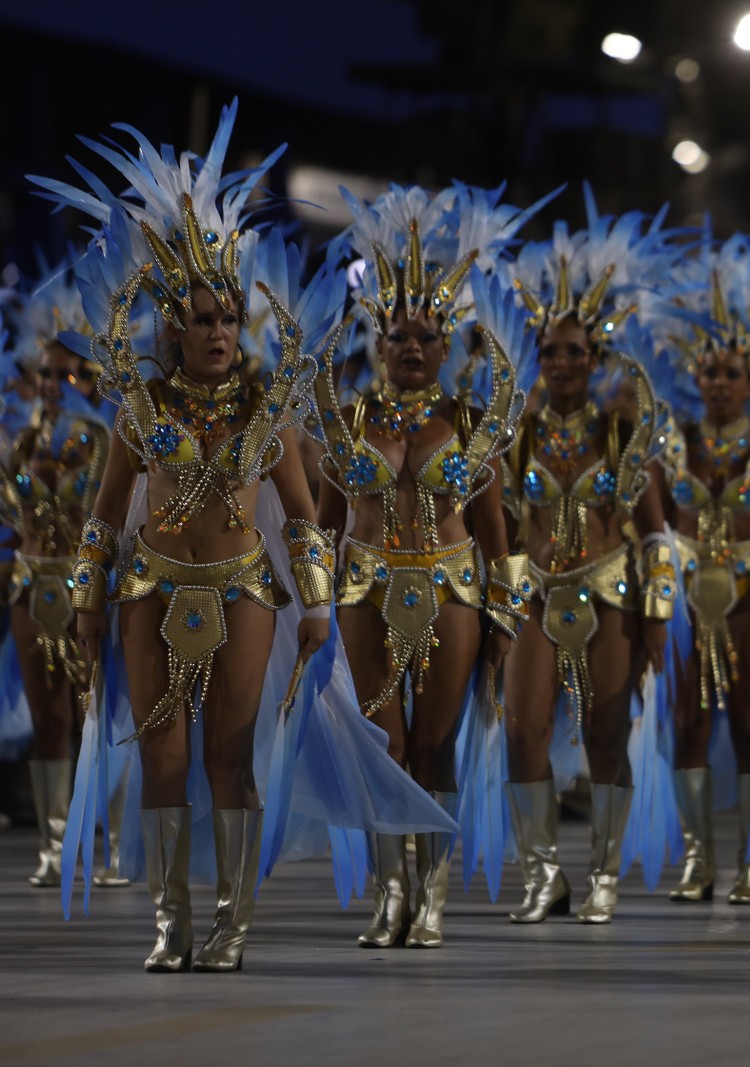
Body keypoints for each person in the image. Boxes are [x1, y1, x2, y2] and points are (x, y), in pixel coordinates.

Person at [45, 106, 334, 972]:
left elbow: (305, 517)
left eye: (228, 317)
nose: (217, 330)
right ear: (171, 326)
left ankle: (231, 924)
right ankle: (170, 922)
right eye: (202, 318)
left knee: (227, 756)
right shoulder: (139, 412)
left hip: (244, 588)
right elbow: (102, 517)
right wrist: (87, 600)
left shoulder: (267, 414)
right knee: (162, 758)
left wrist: (316, 608)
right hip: (150, 591)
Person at [315, 183, 528, 948]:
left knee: (435, 746)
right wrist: (310, 609)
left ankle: (431, 896)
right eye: (397, 335)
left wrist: (505, 620)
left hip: (454, 590)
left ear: (447, 346)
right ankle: (389, 893)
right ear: (375, 341)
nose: (411, 347)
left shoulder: (473, 423)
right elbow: (324, 524)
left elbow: (496, 531)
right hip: (365, 591)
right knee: (382, 746)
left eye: (425, 337)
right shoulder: (346, 421)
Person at [499, 206, 676, 924]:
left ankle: (602, 872)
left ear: (596, 361)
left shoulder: (622, 432)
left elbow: (659, 537)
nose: (564, 363)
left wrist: (659, 620)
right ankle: (543, 873)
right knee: (522, 730)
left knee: (607, 731)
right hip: (537, 596)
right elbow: (506, 533)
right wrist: (504, 607)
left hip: (612, 594)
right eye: (552, 352)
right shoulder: (515, 439)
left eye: (577, 352)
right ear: (537, 358)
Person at [644, 234, 750, 907]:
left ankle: (748, 859)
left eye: (732, 373)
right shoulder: (672, 447)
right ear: (695, 378)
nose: (718, 383)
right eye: (709, 372)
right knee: (686, 723)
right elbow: (658, 533)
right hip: (688, 599)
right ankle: (699, 859)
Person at [0, 261, 125, 890]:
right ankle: (54, 848)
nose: (52, 384)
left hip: (90, 590)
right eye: (44, 374)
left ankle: (115, 845)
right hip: (32, 584)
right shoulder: (18, 442)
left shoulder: (104, 439)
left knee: (96, 713)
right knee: (48, 721)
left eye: (66, 373)